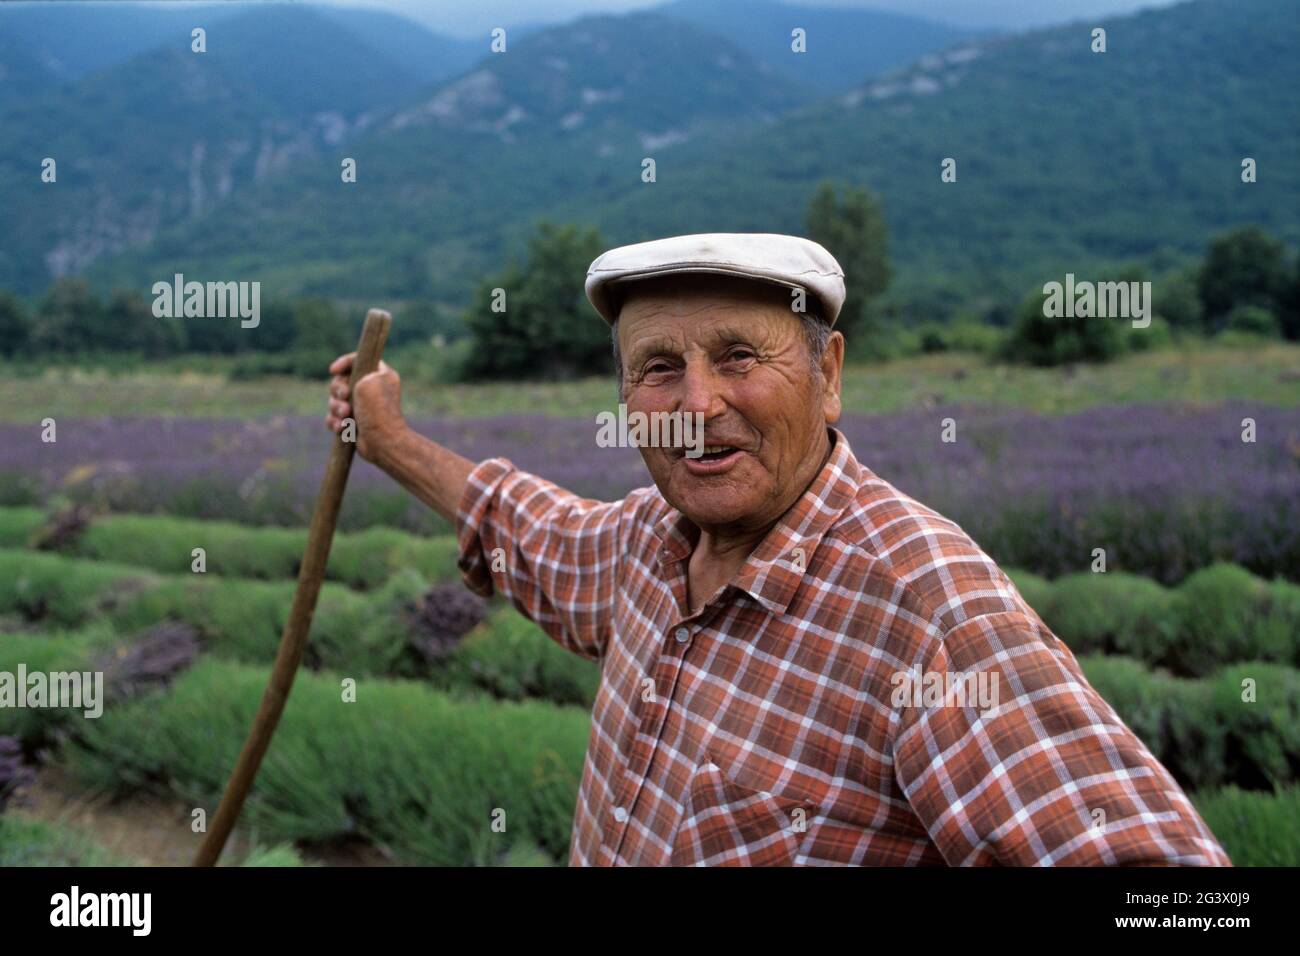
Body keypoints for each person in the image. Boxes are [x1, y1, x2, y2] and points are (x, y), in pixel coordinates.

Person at [325, 232, 1230, 867]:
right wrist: (390, 440)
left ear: (829, 375)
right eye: (658, 368)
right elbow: (534, 531)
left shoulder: (924, 608)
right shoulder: (651, 541)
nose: (697, 402)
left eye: (740, 357)